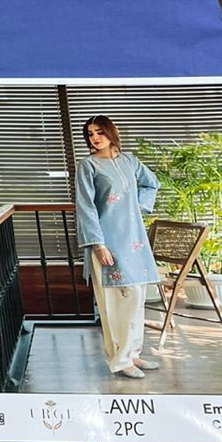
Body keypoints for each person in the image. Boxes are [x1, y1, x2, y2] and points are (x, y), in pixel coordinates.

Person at [73, 116, 160, 380]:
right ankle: (120, 360)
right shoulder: (88, 166)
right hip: (107, 242)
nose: (94, 138)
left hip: (134, 239)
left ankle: (133, 353)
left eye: (99, 132)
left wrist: (138, 206)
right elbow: (86, 206)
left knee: (137, 298)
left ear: (112, 132)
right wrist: (98, 244)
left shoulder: (129, 161)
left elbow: (152, 182)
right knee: (116, 302)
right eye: (90, 134)